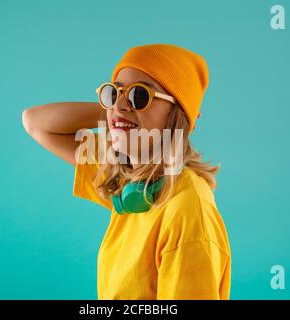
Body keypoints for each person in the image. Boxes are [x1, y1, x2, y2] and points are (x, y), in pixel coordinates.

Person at [22, 44, 231, 300]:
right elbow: (34, 122)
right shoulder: (128, 179)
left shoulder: (187, 209)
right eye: (113, 92)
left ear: (176, 114)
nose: (120, 104)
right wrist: (117, 112)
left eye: (140, 96)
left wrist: (123, 114)